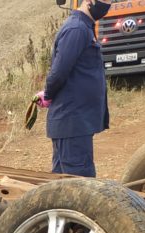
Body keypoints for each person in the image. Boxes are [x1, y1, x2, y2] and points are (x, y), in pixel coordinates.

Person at [37, 0, 112, 177]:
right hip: (72, 121)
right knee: (79, 183)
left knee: (63, 181)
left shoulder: (84, 27)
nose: (107, 5)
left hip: (77, 122)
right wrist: (48, 94)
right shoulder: (77, 30)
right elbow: (59, 71)